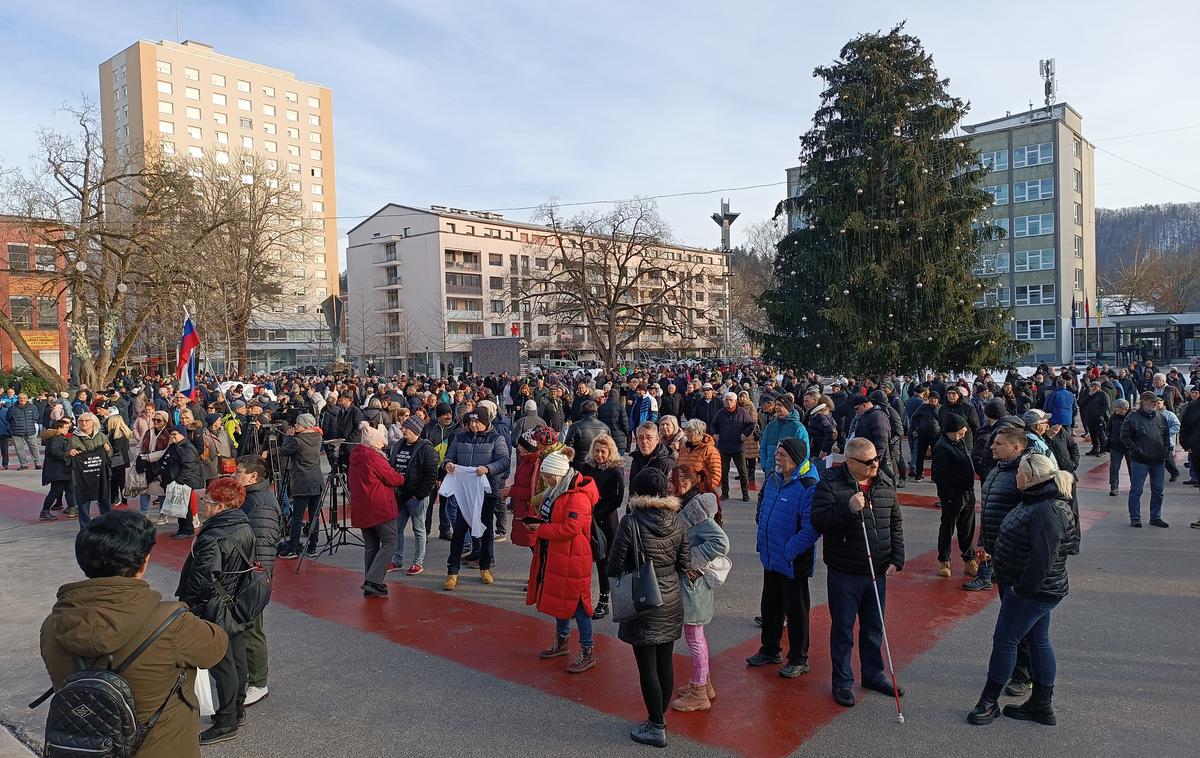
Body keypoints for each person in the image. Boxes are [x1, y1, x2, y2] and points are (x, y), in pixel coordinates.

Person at [40, 510, 229, 758]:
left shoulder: (53, 625)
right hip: (164, 748)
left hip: (88, 749)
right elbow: (216, 646)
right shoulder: (172, 623)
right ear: (144, 561)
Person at [967, 454, 1077, 726]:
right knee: (1038, 639)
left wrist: (1020, 591)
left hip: (1033, 591)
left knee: (1006, 640)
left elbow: (1043, 558)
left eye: (1019, 473)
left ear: (1029, 477)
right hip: (1038, 588)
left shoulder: (1046, 509)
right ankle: (1040, 704)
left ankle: (988, 702)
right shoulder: (1037, 500)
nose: (1015, 477)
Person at [811, 438, 905, 708]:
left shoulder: (884, 480)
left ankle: (873, 673)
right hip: (845, 571)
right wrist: (848, 509)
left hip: (878, 570)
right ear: (850, 462)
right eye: (868, 461)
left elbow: (895, 520)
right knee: (843, 629)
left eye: (876, 458)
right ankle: (842, 681)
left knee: (874, 626)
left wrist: (897, 557)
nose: (875, 464)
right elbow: (819, 521)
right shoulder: (831, 483)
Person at [606, 468, 690, 748]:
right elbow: (684, 565)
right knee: (665, 660)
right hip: (670, 597)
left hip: (644, 599)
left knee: (647, 666)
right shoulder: (678, 521)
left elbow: (614, 566)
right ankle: (658, 717)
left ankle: (656, 726)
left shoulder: (631, 523)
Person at [176, 476, 257, 745]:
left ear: (220, 507)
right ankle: (236, 709)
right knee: (236, 657)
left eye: (208, 502)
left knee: (221, 665)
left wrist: (187, 605)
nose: (203, 506)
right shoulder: (244, 525)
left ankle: (226, 721)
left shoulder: (212, 536)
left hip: (215, 607)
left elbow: (201, 579)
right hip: (235, 602)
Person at [525, 450, 600, 672]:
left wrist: (541, 529)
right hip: (559, 554)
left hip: (573, 557)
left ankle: (587, 650)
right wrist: (539, 523)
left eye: (548, 476)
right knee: (560, 600)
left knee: (578, 605)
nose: (545, 480)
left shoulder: (577, 496)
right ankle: (562, 641)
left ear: (558, 474)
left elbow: (571, 528)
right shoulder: (558, 490)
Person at [670, 465, 730, 711]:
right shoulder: (688, 505)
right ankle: (704, 683)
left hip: (694, 583)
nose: (668, 486)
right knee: (696, 637)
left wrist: (690, 560)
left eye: (671, 482)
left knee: (695, 637)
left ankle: (699, 692)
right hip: (692, 581)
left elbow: (721, 542)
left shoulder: (697, 511)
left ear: (684, 484)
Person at [442, 407, 510, 590]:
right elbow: (448, 457)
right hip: (465, 492)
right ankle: (452, 571)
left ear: (486, 422)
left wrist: (488, 469)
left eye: (477, 421)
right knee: (459, 530)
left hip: (486, 492)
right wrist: (447, 464)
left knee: (486, 530)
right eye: (470, 422)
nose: (473, 425)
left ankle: (485, 567)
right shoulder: (460, 438)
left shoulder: (496, 439)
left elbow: (504, 460)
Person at [232, 459, 280, 707]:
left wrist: (252, 577)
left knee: (251, 630)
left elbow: (260, 545)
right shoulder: (251, 498)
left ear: (253, 477)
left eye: (239, 472)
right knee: (244, 628)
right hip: (247, 573)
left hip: (252, 576)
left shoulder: (260, 503)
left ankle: (258, 683)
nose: (234, 475)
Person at [349, 422, 406, 596]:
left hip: (362, 506)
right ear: (374, 442)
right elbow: (391, 478)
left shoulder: (356, 456)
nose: (383, 443)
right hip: (378, 505)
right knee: (390, 541)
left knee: (371, 546)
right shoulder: (373, 456)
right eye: (381, 441)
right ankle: (373, 581)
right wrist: (402, 477)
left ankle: (371, 581)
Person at [575, 433, 626, 620]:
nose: (600, 455)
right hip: (587, 516)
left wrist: (596, 515)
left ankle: (604, 600)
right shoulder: (587, 467)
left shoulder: (615, 470)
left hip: (605, 520)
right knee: (582, 559)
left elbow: (617, 499)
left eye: (603, 452)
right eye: (597, 451)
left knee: (603, 561)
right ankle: (579, 598)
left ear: (610, 451)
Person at [388, 416, 437, 574]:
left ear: (415, 430)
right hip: (400, 494)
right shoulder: (399, 445)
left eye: (406, 428)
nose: (403, 430)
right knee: (397, 528)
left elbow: (431, 474)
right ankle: (397, 560)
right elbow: (392, 465)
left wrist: (420, 495)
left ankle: (418, 562)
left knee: (419, 529)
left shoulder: (426, 448)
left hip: (416, 497)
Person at [932, 414, 978, 579]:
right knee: (948, 528)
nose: (963, 435)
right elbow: (940, 476)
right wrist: (947, 497)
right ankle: (944, 560)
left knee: (967, 528)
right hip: (953, 495)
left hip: (967, 493)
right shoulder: (942, 447)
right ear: (951, 431)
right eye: (960, 432)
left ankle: (969, 559)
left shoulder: (960, 442)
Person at [276, 413, 324, 559]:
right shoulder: (318, 437)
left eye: (297, 423)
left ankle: (293, 547)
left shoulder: (297, 441)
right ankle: (312, 547)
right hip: (316, 481)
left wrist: (288, 436)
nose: (295, 426)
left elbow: (285, 450)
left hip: (302, 483)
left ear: (304, 425)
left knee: (297, 517)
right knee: (314, 515)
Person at [1120, 391, 1171, 528]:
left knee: (1158, 491)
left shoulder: (1161, 417)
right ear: (1143, 402)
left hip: (1158, 460)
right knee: (1136, 490)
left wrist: (1167, 450)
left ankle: (1155, 517)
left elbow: (1166, 435)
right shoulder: (1133, 417)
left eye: (1155, 402)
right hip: (1140, 460)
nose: (1154, 404)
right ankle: (1135, 517)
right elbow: (1125, 436)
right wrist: (1137, 451)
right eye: (1151, 401)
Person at [157, 425, 203, 540]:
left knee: (184, 507)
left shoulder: (187, 448)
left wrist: (179, 481)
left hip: (183, 482)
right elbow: (165, 460)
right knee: (179, 507)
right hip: (175, 480)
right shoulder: (174, 446)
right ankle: (182, 528)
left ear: (182, 435)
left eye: (175, 434)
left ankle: (187, 529)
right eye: (171, 434)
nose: (173, 437)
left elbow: (188, 467)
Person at [69, 412, 113, 528]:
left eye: (87, 421)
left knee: (104, 499)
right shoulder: (74, 438)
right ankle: (85, 528)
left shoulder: (102, 436)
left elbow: (110, 454)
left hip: (100, 473)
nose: (84, 423)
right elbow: (67, 457)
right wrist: (70, 453)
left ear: (93, 422)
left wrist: (108, 450)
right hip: (82, 475)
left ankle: (107, 526)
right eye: (81, 421)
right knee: (83, 502)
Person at [710, 391, 755, 502]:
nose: (728, 402)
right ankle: (725, 493)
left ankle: (745, 493)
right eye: (726, 400)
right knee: (724, 471)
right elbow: (713, 424)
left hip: (738, 447)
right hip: (724, 446)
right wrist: (714, 433)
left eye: (730, 400)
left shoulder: (742, 412)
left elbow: (752, 424)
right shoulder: (720, 413)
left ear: (735, 401)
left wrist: (745, 434)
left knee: (743, 471)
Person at [40, 418, 75, 520]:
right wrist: (68, 454)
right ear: (59, 428)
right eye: (66, 428)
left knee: (69, 488)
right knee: (56, 491)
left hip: (62, 470)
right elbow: (55, 452)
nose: (67, 430)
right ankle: (45, 511)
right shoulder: (57, 438)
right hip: (58, 470)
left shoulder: (59, 437)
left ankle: (72, 507)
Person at [8, 392, 43, 469]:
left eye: (24, 398)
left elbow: (36, 417)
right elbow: (8, 418)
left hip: (30, 431)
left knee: (34, 448)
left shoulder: (32, 407)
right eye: (20, 398)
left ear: (27, 399)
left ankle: (38, 463)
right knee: (19, 449)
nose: (22, 400)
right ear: (18, 399)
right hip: (17, 432)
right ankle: (23, 464)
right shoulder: (12, 408)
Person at [106, 414, 133, 509]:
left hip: (117, 461)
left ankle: (114, 500)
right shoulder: (123, 432)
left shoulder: (116, 434)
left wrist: (107, 448)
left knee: (115, 482)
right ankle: (122, 501)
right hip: (123, 460)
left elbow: (116, 448)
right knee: (121, 482)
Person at [1107, 399, 1132, 497]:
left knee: (1132, 467)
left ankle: (1134, 485)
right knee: (1114, 467)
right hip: (1115, 446)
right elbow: (1108, 429)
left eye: (1116, 408)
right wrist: (1110, 437)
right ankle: (1114, 487)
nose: (1115, 410)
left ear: (1124, 408)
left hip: (1129, 447)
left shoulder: (1132, 417)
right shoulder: (1113, 417)